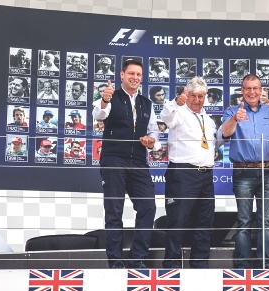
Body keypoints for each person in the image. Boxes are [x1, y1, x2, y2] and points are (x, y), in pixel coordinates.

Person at [92, 59, 161, 269]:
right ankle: (115, 261)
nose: (135, 78)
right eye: (131, 73)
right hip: (114, 159)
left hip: (139, 161)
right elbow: (98, 114)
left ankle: (137, 258)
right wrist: (104, 100)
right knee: (114, 211)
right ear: (122, 75)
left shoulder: (146, 103)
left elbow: (154, 134)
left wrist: (152, 143)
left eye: (139, 75)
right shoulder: (111, 96)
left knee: (148, 207)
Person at [220, 74, 269, 269]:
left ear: (261, 90)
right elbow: (224, 134)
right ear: (241, 91)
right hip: (243, 173)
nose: (252, 92)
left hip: (267, 171)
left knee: (265, 220)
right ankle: (242, 265)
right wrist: (234, 119)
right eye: (247, 89)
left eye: (255, 88)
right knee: (244, 220)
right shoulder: (231, 111)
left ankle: (264, 263)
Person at [160, 77, 217, 269]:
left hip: (206, 175)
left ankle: (200, 265)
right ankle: (171, 266)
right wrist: (177, 102)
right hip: (183, 174)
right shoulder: (179, 113)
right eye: (193, 95)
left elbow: (213, 143)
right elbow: (166, 116)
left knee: (205, 223)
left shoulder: (208, 119)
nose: (197, 100)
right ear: (187, 95)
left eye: (201, 96)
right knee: (178, 221)